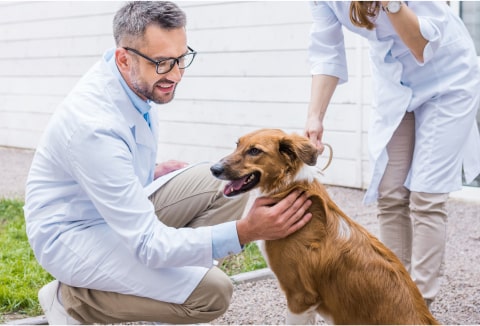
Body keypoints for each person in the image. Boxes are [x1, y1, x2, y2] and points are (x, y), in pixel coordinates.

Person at [24, 2, 313, 324]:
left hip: (112, 214)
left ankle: (169, 285)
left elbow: (107, 169)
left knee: (220, 182)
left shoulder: (130, 81)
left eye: (180, 59)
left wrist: (149, 171)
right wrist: (245, 231)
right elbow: (147, 243)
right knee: (212, 294)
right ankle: (74, 300)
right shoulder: (93, 125)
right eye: (163, 63)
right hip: (74, 234)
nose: (176, 74)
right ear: (124, 58)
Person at [305, 1, 480, 308]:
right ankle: (393, 295)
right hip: (395, 81)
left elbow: (420, 47)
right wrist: (315, 116)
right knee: (391, 191)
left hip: (447, 78)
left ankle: (417, 304)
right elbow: (327, 53)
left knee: (426, 195)